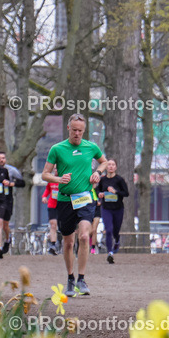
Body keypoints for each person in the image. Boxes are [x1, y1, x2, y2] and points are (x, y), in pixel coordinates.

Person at [41, 114, 108, 297]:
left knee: (85, 236)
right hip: (64, 200)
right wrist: (58, 179)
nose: (77, 134)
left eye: (80, 131)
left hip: (85, 198)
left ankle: (82, 278)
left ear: (83, 131)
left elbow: (104, 162)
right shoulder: (58, 149)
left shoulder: (91, 147)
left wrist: (98, 173)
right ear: (68, 129)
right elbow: (45, 174)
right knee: (69, 242)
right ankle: (70, 278)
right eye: (74, 130)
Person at [96, 159, 129, 263]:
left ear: (115, 167)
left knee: (115, 230)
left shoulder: (119, 180)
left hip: (118, 209)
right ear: (106, 167)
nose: (110, 166)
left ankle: (117, 240)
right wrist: (99, 194)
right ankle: (110, 252)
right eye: (109, 164)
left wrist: (116, 191)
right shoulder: (103, 180)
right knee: (108, 230)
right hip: (106, 209)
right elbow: (97, 189)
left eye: (112, 165)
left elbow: (126, 193)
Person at [0, 153, 25, 255]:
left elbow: (22, 183)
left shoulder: (11, 170)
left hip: (7, 200)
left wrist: (11, 183)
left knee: (5, 225)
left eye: (3, 158)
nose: (1, 160)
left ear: (6, 159)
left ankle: (7, 239)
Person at [42, 180, 60, 254]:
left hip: (62, 205)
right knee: (53, 224)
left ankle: (63, 242)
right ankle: (53, 245)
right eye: (54, 168)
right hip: (52, 205)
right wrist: (44, 196)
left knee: (62, 226)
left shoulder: (64, 179)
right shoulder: (51, 180)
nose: (55, 170)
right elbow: (48, 189)